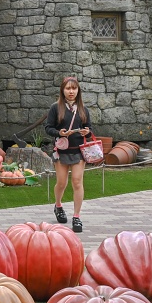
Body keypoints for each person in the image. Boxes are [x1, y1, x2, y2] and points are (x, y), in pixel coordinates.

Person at [45, 76, 91, 233]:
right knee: (61, 182)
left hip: (79, 151)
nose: (71, 91)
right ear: (62, 90)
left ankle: (76, 217)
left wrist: (86, 131)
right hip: (62, 150)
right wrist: (60, 132)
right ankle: (58, 205)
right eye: (68, 88)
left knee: (77, 182)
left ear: (78, 91)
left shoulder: (83, 109)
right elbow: (48, 128)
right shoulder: (55, 108)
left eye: (74, 88)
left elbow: (89, 128)